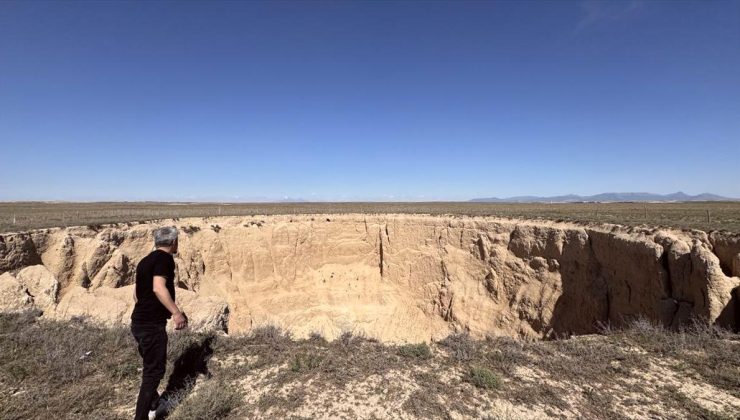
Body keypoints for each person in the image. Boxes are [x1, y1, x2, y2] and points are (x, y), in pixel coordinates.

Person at [130, 226, 188, 420]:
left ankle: (155, 403)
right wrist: (176, 313)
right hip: (151, 325)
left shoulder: (145, 261)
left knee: (149, 365)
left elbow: (136, 294)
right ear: (173, 242)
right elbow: (158, 287)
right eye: (177, 241)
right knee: (153, 373)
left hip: (137, 322)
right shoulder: (165, 259)